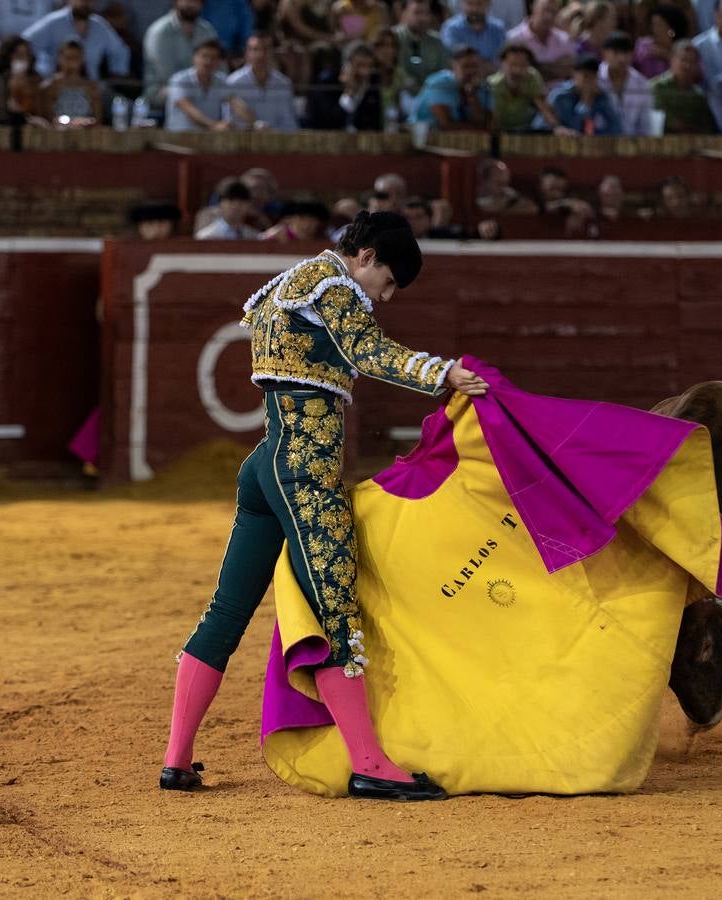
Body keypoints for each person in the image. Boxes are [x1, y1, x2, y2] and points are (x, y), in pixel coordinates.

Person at [161, 213, 490, 799]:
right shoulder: (334, 288)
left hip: (266, 461)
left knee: (226, 612)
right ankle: (369, 762)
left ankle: (177, 759)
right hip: (306, 470)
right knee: (336, 606)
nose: (383, 297)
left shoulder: (287, 283)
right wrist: (442, 373)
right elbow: (367, 350)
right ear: (365, 255)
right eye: (386, 281)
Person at [23, 0, 132, 79]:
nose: (86, 3)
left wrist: (117, 73)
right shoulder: (54, 22)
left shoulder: (99, 26)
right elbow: (24, 44)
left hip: (90, 88)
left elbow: (121, 51)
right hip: (55, 87)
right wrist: (33, 73)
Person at [142, 0, 219, 108]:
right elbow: (167, 76)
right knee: (181, 90)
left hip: (202, 85)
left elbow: (218, 64)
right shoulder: (159, 31)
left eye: (196, 1)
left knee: (226, 90)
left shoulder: (207, 30)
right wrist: (199, 83)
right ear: (176, 2)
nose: (191, 5)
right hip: (162, 90)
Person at [488, 42, 571, 131]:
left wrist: (557, 127)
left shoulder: (532, 77)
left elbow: (542, 105)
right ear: (503, 64)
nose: (517, 70)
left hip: (527, 130)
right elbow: (492, 117)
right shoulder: (492, 84)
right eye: (513, 64)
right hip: (500, 131)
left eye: (522, 65)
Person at [305, 40, 383, 130]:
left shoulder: (372, 85)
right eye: (360, 65)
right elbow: (330, 123)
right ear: (346, 65)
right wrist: (348, 93)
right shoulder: (327, 83)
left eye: (369, 66)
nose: (365, 73)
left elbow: (373, 124)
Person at [411, 43, 493, 129]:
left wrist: (472, 96)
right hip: (423, 136)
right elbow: (446, 125)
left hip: (466, 138)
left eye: (475, 66)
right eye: (466, 66)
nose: (471, 71)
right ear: (453, 66)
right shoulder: (438, 83)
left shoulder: (483, 88)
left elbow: (487, 122)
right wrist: (480, 128)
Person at [226, 35, 300, 130]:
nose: (261, 54)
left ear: (272, 53)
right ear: (246, 53)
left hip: (277, 140)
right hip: (244, 141)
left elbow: (289, 122)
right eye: (255, 49)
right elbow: (230, 121)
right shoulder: (233, 82)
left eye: (266, 49)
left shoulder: (283, 83)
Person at [541, 53, 621, 133]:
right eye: (585, 75)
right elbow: (573, 127)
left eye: (592, 76)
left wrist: (596, 134)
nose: (588, 81)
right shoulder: (560, 96)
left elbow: (617, 128)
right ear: (574, 73)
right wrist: (585, 103)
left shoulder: (599, 96)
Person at [649, 42, 718, 132]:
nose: (687, 66)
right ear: (672, 60)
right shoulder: (656, 87)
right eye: (683, 60)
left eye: (692, 62)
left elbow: (707, 126)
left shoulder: (699, 96)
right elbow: (659, 118)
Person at [599, 31, 655, 134]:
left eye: (626, 53)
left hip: (633, 146)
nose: (622, 58)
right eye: (616, 52)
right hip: (597, 143)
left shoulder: (642, 84)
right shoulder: (595, 80)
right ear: (605, 53)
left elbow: (645, 125)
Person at [507, 0, 575, 82]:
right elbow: (515, 73)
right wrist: (555, 68)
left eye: (553, 12)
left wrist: (536, 66)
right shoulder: (514, 39)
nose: (548, 16)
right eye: (545, 10)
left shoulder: (564, 40)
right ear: (533, 8)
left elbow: (570, 71)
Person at [39, 38, 102, 123]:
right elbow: (45, 119)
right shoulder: (49, 87)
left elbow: (97, 119)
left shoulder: (92, 88)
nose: (72, 62)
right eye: (68, 58)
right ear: (59, 58)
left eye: (76, 58)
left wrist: (85, 122)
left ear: (82, 59)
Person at [393, 0, 448, 87]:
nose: (423, 18)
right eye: (417, 13)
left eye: (427, 13)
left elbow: (444, 72)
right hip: (402, 91)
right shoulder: (394, 37)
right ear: (405, 14)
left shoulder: (437, 41)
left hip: (432, 92)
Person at [440, 0, 508, 69]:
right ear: (463, 4)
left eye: (479, 4)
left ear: (488, 4)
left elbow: (502, 59)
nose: (474, 9)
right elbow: (453, 57)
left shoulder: (498, 29)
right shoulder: (452, 28)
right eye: (470, 4)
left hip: (493, 76)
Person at [0, 36, 44, 123]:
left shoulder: (36, 80)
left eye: (25, 55)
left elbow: (38, 110)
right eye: (18, 55)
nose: (21, 59)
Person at [634, 3, 687, 78]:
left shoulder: (684, 49)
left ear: (671, 30)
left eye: (659, 25)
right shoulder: (643, 45)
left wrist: (667, 55)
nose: (654, 29)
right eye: (653, 24)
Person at [196, 181, 261, 238]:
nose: (236, 206)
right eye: (231, 201)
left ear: (248, 205)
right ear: (220, 204)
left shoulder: (253, 236)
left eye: (241, 202)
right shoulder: (207, 237)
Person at [259, 199, 331, 240]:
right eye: (302, 219)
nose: (307, 224)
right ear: (290, 220)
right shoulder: (274, 236)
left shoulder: (322, 238)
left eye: (312, 220)